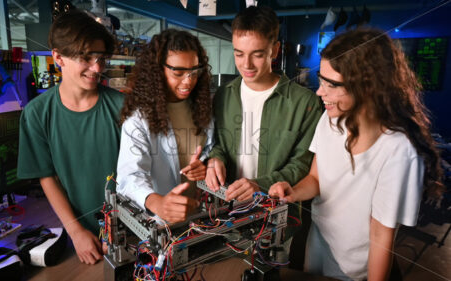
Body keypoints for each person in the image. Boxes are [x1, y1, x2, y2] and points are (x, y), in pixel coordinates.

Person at [268, 28, 443, 280]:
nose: (320, 92)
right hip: (318, 242)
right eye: (321, 80)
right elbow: (316, 179)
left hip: (357, 266)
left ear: (366, 86)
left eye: (332, 85)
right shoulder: (330, 120)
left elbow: (381, 236)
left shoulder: (398, 149)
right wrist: (292, 191)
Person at [205, 5, 322, 260]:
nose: (246, 64)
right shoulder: (224, 95)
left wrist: (260, 185)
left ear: (275, 50)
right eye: (238, 54)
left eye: (257, 55)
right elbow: (219, 145)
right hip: (228, 218)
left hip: (278, 223)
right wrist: (215, 159)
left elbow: (302, 165)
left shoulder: (305, 103)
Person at [17, 10, 125, 265]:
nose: (97, 68)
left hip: (131, 230)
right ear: (58, 57)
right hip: (82, 236)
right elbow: (47, 177)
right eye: (86, 57)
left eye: (101, 58)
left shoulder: (122, 107)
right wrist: (76, 231)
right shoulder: (37, 114)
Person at [117, 29, 214, 223]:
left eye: (194, 71)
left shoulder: (204, 107)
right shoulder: (138, 119)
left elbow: (212, 149)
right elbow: (130, 176)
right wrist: (156, 203)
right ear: (157, 70)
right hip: (162, 221)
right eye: (178, 72)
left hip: (203, 214)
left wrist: (205, 165)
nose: (188, 81)